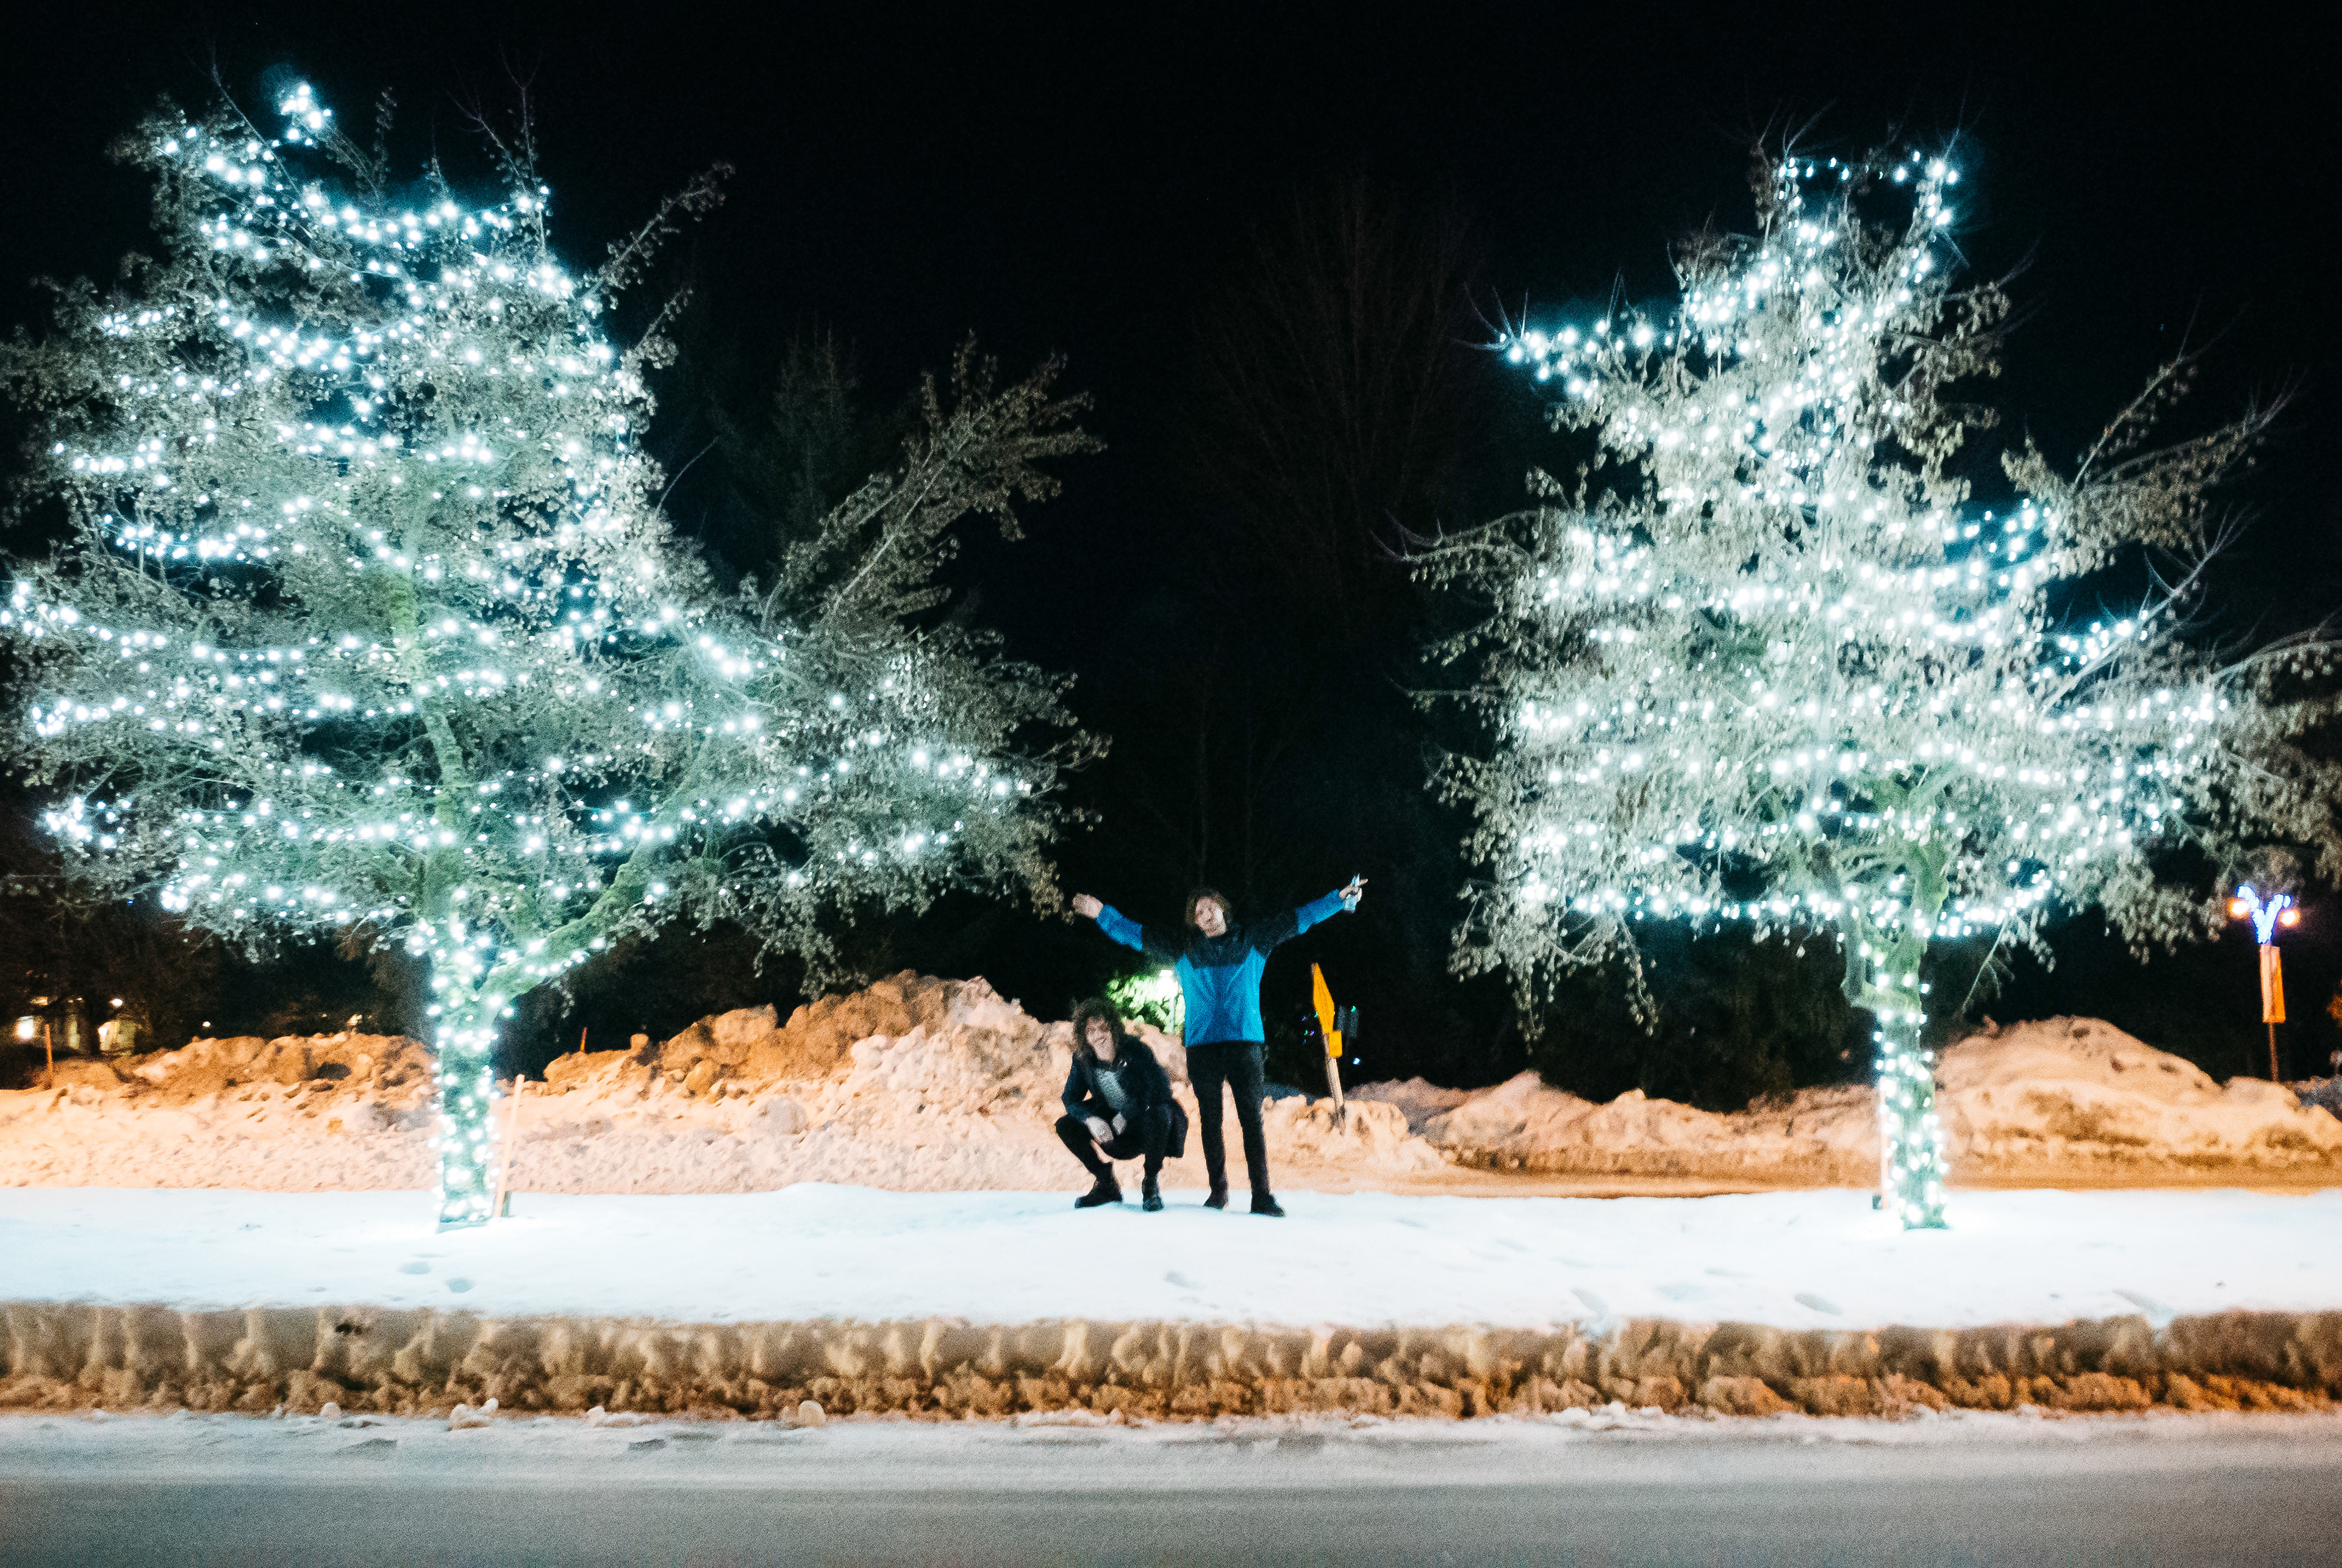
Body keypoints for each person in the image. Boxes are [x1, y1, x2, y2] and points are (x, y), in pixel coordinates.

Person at [1069, 877, 1365, 1217]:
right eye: (1198, 912)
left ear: (1222, 909)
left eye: (1210, 907)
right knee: (1211, 1122)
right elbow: (1136, 934)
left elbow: (1300, 918)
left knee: (1251, 1120)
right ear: (1194, 922)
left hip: (1245, 1045)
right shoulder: (1185, 950)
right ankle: (1218, 1192)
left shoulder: (1254, 940)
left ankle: (1262, 1196)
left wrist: (1338, 899)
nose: (1205, 914)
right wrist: (1101, 913)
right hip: (1203, 1049)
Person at [1057, 1000, 1184, 1211]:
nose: (1098, 1035)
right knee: (1065, 1125)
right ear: (1084, 1036)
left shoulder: (1136, 1050)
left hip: (1142, 1126)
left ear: (1114, 1028)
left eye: (1103, 1029)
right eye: (1091, 1031)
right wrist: (1091, 1120)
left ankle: (1150, 1185)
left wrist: (1127, 1113)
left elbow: (1161, 1091)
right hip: (1110, 1128)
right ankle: (1106, 1183)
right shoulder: (1083, 1059)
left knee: (1161, 1112)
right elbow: (1070, 1098)